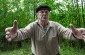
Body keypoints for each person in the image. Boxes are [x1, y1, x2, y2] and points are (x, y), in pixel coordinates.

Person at [5, 4, 85, 55]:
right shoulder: (33, 26)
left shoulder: (56, 25)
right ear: (37, 15)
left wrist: (74, 34)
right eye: (42, 12)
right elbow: (23, 33)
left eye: (46, 12)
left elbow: (65, 32)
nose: (44, 14)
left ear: (49, 14)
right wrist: (16, 35)